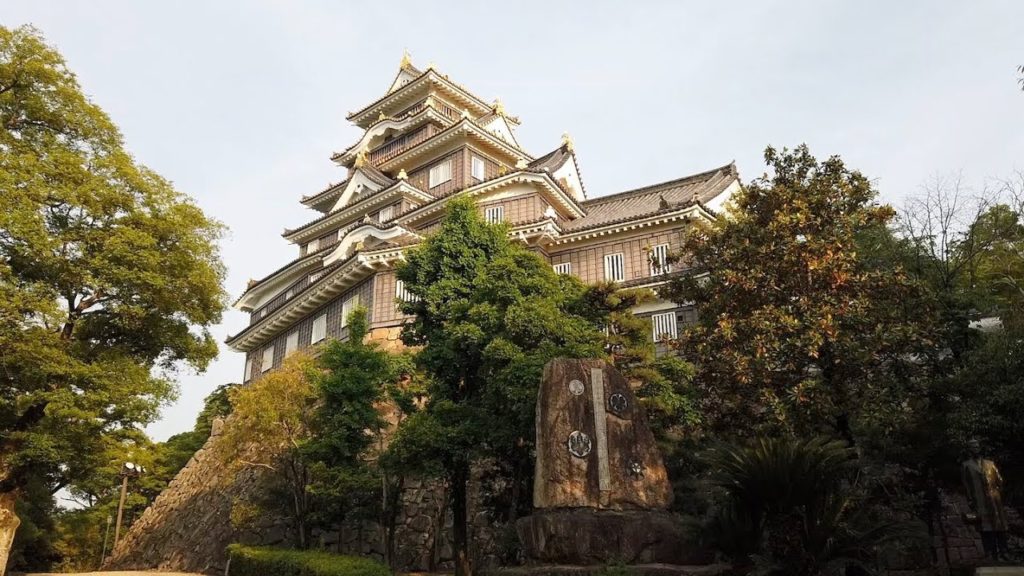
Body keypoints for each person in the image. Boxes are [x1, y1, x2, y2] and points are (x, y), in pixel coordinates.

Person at [961, 439, 1010, 560]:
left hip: (994, 500)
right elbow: (966, 485)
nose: (975, 448)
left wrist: (995, 493)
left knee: (999, 525)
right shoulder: (966, 465)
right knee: (984, 526)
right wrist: (970, 499)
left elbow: (1000, 481)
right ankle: (989, 552)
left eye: (976, 446)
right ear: (969, 450)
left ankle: (1003, 551)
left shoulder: (990, 463)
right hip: (979, 500)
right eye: (972, 447)